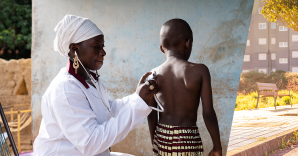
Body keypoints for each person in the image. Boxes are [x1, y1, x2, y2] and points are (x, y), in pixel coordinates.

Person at [33, 15, 158, 156]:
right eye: (96, 47)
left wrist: (138, 97)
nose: (103, 52)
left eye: (102, 46)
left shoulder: (89, 80)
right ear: (75, 50)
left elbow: (109, 109)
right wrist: (138, 103)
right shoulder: (65, 90)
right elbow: (91, 143)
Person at [146, 19, 222, 156]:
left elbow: (151, 115)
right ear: (188, 43)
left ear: (161, 48)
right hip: (188, 142)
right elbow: (208, 113)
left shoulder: (153, 75)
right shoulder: (200, 71)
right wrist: (217, 147)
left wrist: (155, 143)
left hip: (162, 138)